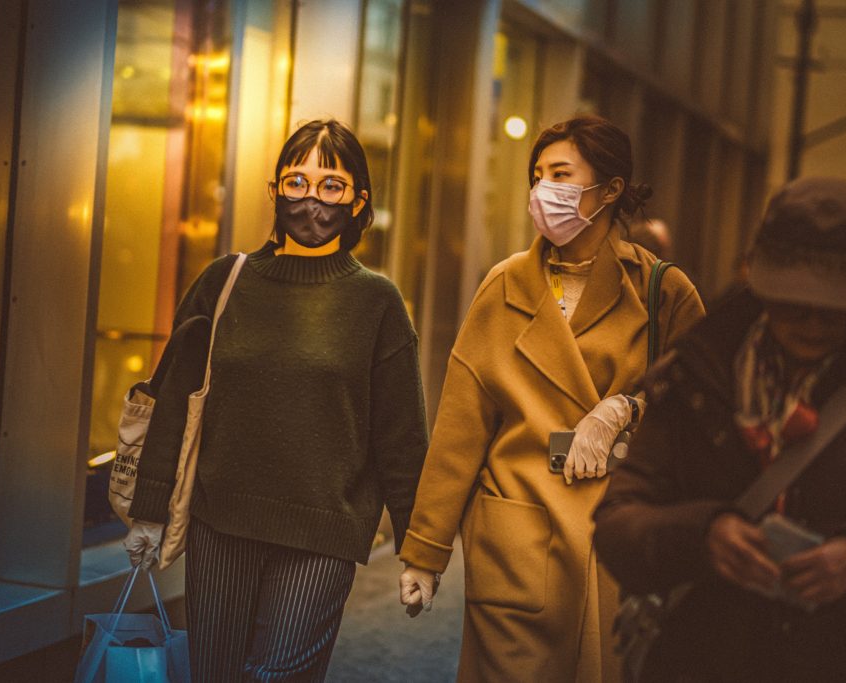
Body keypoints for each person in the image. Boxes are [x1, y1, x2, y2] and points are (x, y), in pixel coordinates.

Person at [397, 114, 705, 681]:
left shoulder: (664, 292)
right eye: (537, 176)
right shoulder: (504, 286)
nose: (543, 191)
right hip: (517, 539)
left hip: (620, 537)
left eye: (560, 174)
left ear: (610, 189)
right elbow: (460, 428)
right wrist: (425, 549)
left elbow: (702, 412)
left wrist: (625, 408)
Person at [124, 119, 429, 682]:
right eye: (296, 181)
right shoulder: (225, 282)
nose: (311, 198)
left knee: (276, 677)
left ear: (358, 201)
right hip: (222, 522)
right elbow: (173, 400)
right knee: (214, 674)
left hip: (324, 533)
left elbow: (402, 440)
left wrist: (420, 549)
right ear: (274, 191)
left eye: (331, 185)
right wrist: (149, 508)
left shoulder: (376, 302)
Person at [593, 177, 846, 682]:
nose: (810, 324)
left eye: (832, 309)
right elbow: (618, 525)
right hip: (700, 662)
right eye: (791, 304)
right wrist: (704, 534)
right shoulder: (698, 375)